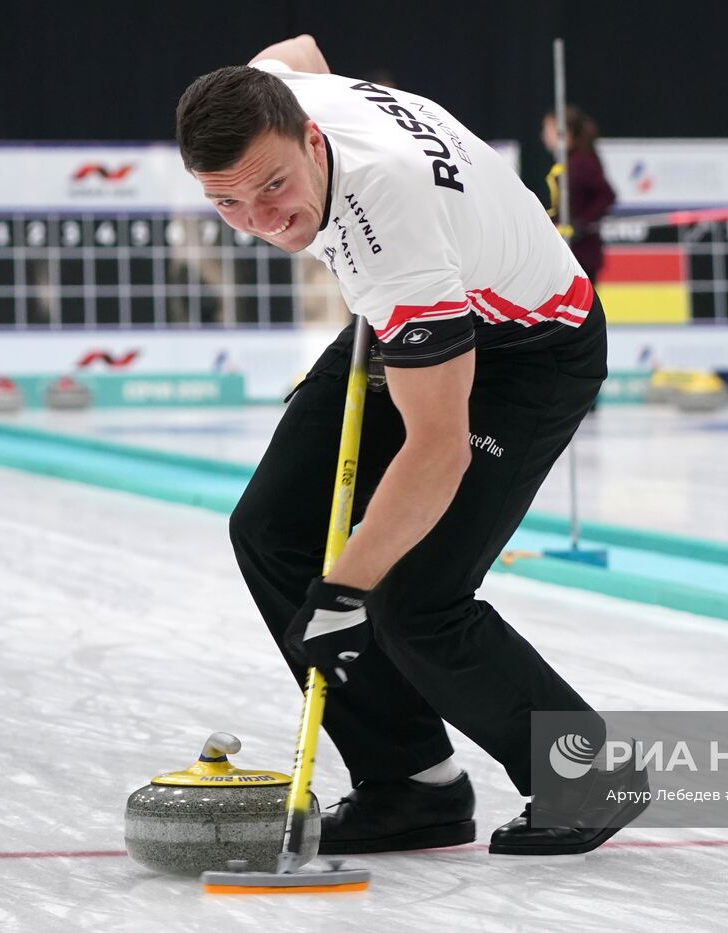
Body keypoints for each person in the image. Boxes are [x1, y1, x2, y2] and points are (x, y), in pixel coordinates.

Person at [175, 34, 647, 856]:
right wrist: (334, 587)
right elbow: (296, 48)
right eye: (228, 204)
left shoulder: (389, 224)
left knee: (410, 596)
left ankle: (587, 770)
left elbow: (438, 449)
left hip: (528, 349)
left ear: (313, 143)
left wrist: (345, 589)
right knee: (270, 528)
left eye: (275, 187)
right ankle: (413, 784)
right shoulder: (282, 98)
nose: (262, 222)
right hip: (413, 308)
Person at [541, 106, 616, 285]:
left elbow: (606, 195)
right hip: (566, 251)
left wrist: (582, 223)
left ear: (564, 133)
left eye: (548, 130)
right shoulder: (564, 164)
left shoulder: (581, 163)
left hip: (582, 253)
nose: (544, 135)